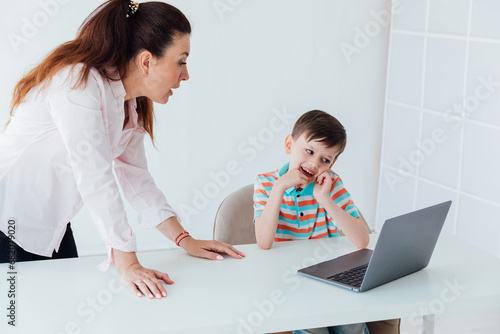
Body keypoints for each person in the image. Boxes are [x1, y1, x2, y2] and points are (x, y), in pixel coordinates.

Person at [0, 0, 245, 300]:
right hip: (7, 225)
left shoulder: (130, 104)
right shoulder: (78, 83)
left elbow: (137, 180)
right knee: (17, 318)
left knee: (62, 310)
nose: (186, 75)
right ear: (146, 61)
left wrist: (184, 240)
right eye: (181, 61)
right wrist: (127, 261)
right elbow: (95, 175)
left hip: (51, 229)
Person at [253, 110, 400, 334]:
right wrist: (279, 188)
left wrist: (325, 199)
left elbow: (361, 240)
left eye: (325, 159)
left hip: (330, 280)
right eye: (309, 151)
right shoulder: (266, 184)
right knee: (311, 326)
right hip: (290, 283)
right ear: (289, 144)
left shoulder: (333, 186)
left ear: (332, 164)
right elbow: (263, 241)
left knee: (352, 322)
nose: (314, 163)